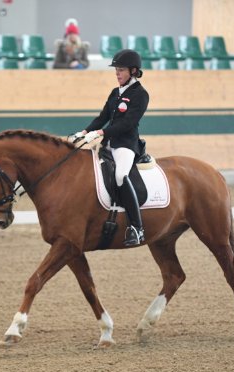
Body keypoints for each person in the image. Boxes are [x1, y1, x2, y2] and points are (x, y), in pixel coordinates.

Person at [69, 49, 149, 246]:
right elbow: (103, 118)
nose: (117, 73)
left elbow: (128, 123)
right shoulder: (115, 93)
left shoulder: (141, 94)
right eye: (116, 70)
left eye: (121, 70)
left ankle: (136, 228)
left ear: (133, 71)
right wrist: (84, 132)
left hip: (126, 145)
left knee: (121, 175)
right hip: (108, 144)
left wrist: (102, 133)